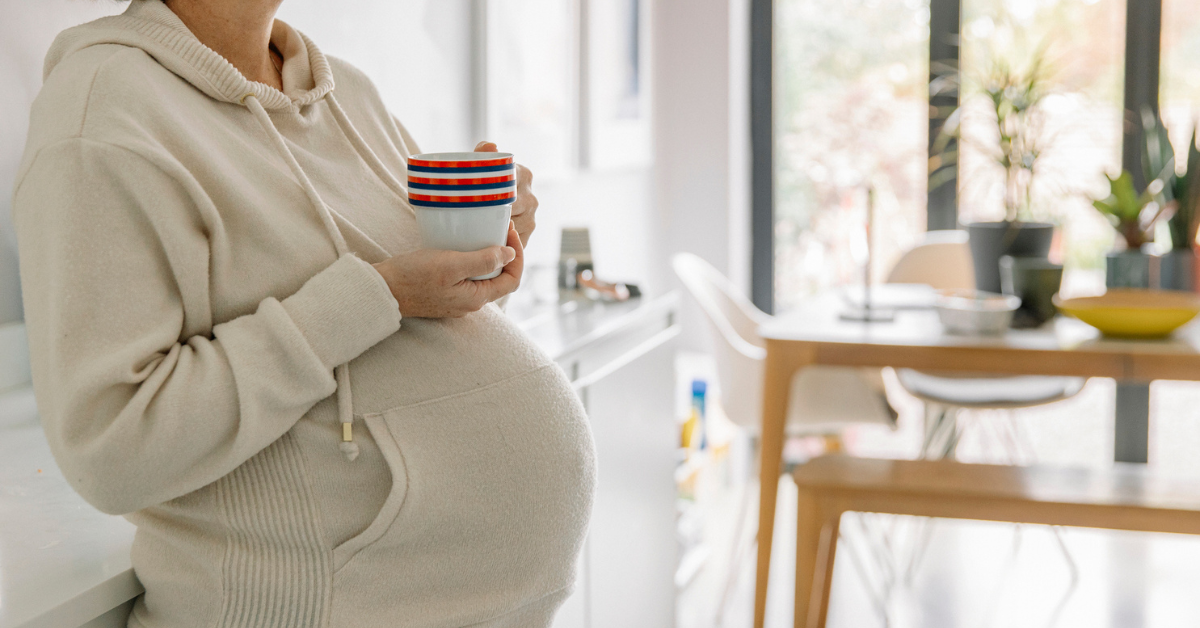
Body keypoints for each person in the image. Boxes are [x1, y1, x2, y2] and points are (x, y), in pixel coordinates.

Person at [12, 0, 596, 626]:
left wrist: (485, 249)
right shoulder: (101, 116)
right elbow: (115, 446)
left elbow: (416, 330)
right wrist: (380, 295)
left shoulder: (347, 93)